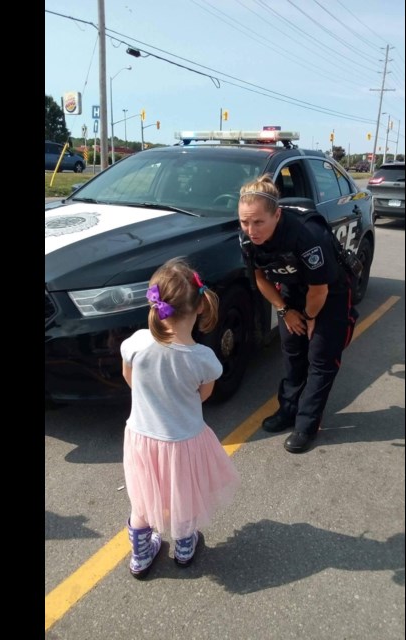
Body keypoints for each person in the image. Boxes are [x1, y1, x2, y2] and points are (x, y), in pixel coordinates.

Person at [119, 257, 241, 579]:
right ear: (201, 306)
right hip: (182, 440)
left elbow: (128, 376)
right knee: (184, 494)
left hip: (142, 438)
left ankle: (141, 556)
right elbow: (204, 395)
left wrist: (152, 397)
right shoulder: (203, 359)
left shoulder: (137, 343)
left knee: (142, 497)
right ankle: (184, 549)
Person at [238, 174, 356, 454]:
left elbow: (320, 290)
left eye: (258, 222)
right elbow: (260, 280)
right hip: (291, 289)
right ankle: (288, 410)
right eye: (244, 222)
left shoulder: (305, 235)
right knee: (292, 350)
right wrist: (285, 311)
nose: (250, 230)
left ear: (277, 215)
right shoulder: (246, 238)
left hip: (330, 292)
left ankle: (307, 424)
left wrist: (310, 316)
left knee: (320, 358)